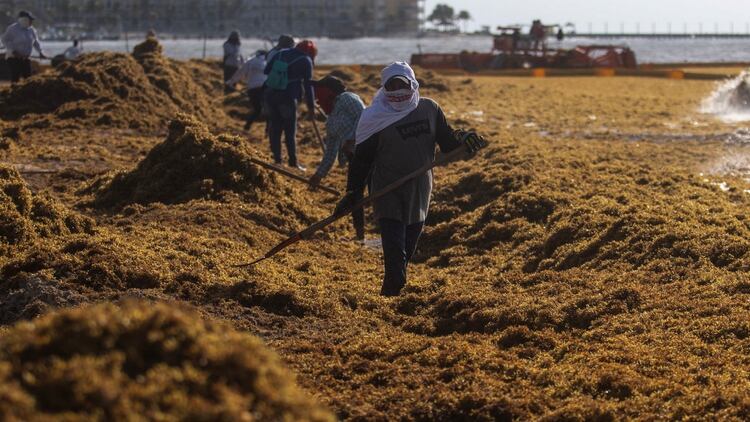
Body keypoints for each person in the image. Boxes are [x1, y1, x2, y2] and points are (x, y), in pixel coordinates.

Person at [335, 62, 485, 297]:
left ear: (412, 83)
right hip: (387, 191)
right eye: (392, 86)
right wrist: (352, 193)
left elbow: (447, 142)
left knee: (407, 249)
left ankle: (391, 294)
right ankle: (391, 297)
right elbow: (362, 161)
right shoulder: (375, 117)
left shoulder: (429, 108)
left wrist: (464, 138)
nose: (397, 91)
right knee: (395, 254)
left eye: (401, 84)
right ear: (384, 89)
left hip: (420, 190)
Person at [309, 75, 367, 240]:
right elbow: (331, 151)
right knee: (354, 193)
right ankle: (360, 236)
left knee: (376, 191)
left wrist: (351, 139)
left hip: (369, 151)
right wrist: (319, 174)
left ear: (329, 93)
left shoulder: (347, 98)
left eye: (319, 96)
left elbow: (364, 116)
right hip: (353, 157)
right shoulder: (331, 119)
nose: (318, 101)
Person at [263, 40, 318, 171]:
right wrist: (311, 107)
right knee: (290, 131)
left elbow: (266, 70)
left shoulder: (280, 53)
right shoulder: (305, 60)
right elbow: (308, 85)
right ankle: (293, 162)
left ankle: (277, 161)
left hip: (270, 96)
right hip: (288, 98)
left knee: (275, 128)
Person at [226, 49, 268, 130]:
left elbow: (240, 72)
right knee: (268, 109)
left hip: (252, 88)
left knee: (257, 109)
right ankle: (268, 130)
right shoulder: (268, 62)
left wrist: (231, 82)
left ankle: (247, 127)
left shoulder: (250, 61)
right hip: (265, 88)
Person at [2, 11, 46, 84]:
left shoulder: (32, 30)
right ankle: (14, 93)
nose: (31, 22)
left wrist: (40, 52)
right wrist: (12, 51)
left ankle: (27, 94)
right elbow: (4, 40)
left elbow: (36, 42)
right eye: (30, 20)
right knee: (15, 77)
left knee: (28, 77)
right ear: (24, 20)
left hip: (25, 58)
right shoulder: (13, 28)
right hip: (13, 58)